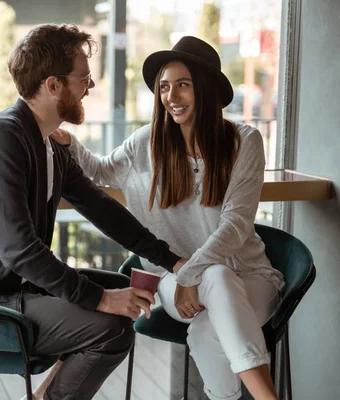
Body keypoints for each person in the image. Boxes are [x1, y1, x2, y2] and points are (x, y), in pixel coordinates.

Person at [0, 24, 185, 400]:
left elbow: (100, 208)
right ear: (52, 85)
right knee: (110, 329)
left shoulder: (49, 145)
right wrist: (100, 300)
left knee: (121, 290)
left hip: (15, 289)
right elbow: (18, 249)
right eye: (83, 78)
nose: (90, 87)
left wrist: (170, 260)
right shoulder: (1, 136)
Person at [51, 36, 285, 400]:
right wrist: (66, 140)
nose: (171, 97)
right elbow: (99, 172)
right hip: (174, 284)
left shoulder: (243, 141)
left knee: (208, 329)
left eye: (183, 85)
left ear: (205, 89)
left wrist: (191, 272)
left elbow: (236, 225)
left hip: (250, 278)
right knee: (216, 276)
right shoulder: (146, 144)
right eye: (164, 87)